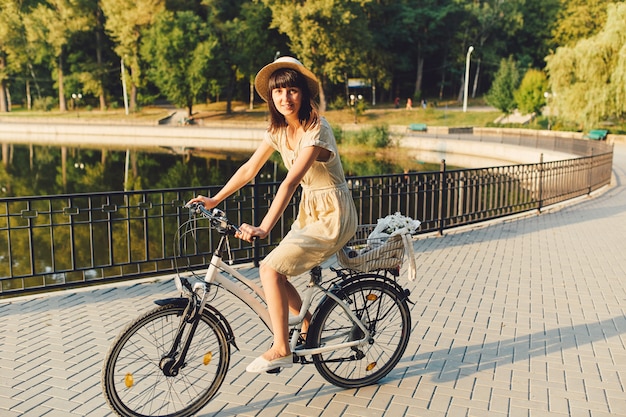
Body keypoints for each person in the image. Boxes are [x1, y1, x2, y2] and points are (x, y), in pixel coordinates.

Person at [187, 57, 357, 373]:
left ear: (304, 94)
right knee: (273, 272)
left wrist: (264, 227)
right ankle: (306, 322)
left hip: (334, 214)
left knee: (269, 269)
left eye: (292, 90)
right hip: (311, 213)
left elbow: (290, 181)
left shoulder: (317, 128)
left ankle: (282, 348)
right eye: (278, 92)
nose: (285, 98)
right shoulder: (277, 130)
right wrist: (214, 199)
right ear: (271, 97)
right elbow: (250, 169)